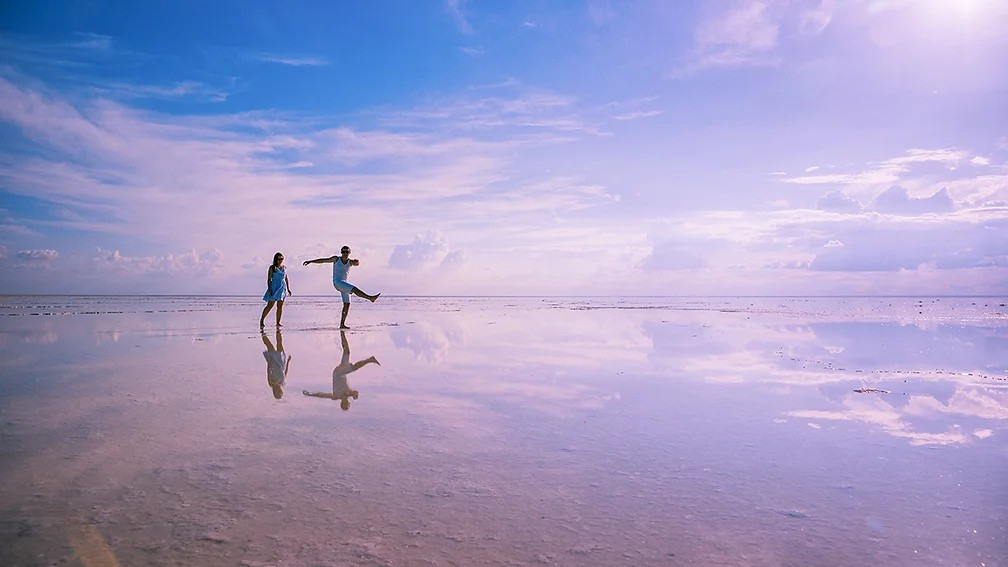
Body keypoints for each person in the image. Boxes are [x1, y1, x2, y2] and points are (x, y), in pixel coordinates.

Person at [303, 245, 380, 329]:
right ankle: (370, 298)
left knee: (347, 304)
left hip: (344, 284)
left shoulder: (350, 262)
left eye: (347, 252)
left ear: (349, 253)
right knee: (354, 289)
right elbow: (323, 260)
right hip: (337, 282)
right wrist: (310, 261)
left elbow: (356, 263)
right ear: (341, 252)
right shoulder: (336, 259)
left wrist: (357, 262)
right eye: (343, 252)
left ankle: (342, 324)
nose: (345, 253)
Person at [302, 330, 379, 410]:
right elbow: (356, 392)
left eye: (344, 403)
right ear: (348, 402)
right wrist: (355, 394)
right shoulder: (349, 394)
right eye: (347, 403)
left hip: (337, 374)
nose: (345, 401)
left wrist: (311, 394)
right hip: (342, 372)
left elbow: (323, 395)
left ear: (342, 402)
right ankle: (342, 333)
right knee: (347, 351)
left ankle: (370, 360)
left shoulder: (336, 396)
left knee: (353, 368)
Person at [260, 252, 292, 327]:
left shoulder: (284, 267)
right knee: (270, 305)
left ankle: (278, 322)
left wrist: (288, 288)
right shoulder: (272, 268)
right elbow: (269, 279)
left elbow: (286, 278)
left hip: (282, 287)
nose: (281, 260)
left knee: (280, 306)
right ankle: (262, 320)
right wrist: (269, 289)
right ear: (276, 259)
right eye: (279, 259)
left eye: (282, 259)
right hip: (274, 287)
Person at [261, 329, 290, 399]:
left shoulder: (271, 383)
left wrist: (269, 362)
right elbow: (285, 373)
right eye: (280, 392)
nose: (280, 391)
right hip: (281, 363)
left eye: (278, 392)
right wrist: (288, 362)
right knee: (279, 344)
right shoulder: (282, 383)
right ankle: (278, 330)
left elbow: (268, 372)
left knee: (269, 345)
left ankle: (262, 332)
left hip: (273, 363)